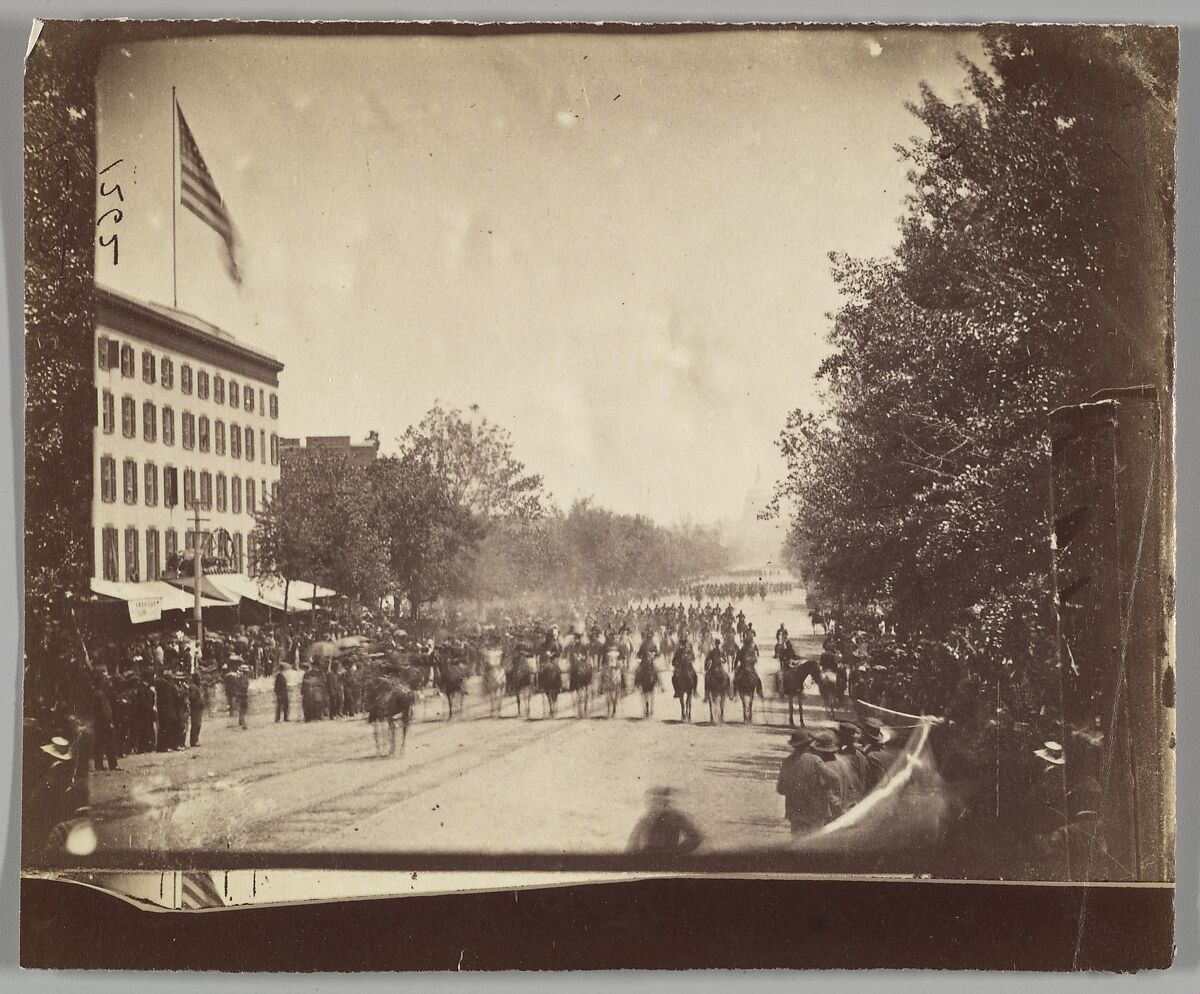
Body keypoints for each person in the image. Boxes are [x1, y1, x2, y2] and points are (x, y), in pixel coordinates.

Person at [776, 728, 846, 834]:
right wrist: (825, 787)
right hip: (815, 811)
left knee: (797, 843)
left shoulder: (786, 762)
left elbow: (780, 789)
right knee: (814, 843)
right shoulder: (815, 760)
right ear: (808, 744)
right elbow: (834, 777)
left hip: (795, 812)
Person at [627, 786, 703, 854]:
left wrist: (677, 852)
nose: (651, 804)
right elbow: (631, 845)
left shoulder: (675, 817)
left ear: (664, 801)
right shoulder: (645, 819)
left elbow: (695, 838)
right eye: (651, 801)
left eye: (657, 800)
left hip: (668, 859)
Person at [187, 673, 205, 747]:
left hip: (198, 708)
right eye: (198, 679)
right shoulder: (194, 687)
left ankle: (195, 740)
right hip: (196, 708)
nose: (200, 680)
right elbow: (193, 698)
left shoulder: (197, 687)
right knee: (196, 724)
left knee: (198, 724)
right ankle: (194, 741)